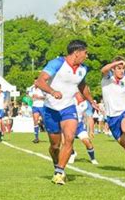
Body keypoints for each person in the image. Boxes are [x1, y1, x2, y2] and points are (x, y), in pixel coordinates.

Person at [35, 40, 97, 185]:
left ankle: (59, 172)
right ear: (76, 53)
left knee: (69, 138)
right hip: (51, 108)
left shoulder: (83, 69)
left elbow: (82, 86)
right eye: (85, 52)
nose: (87, 56)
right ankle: (57, 165)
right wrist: (52, 91)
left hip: (69, 108)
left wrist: (91, 101)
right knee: (54, 146)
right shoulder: (56, 63)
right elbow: (40, 81)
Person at [69, 98, 98, 165]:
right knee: (66, 142)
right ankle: (72, 154)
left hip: (79, 126)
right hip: (69, 125)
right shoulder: (70, 99)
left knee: (87, 142)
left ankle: (93, 159)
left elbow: (90, 117)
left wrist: (91, 130)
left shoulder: (86, 103)